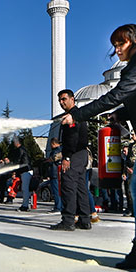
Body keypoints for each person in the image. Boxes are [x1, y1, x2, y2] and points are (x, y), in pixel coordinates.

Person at [60, 21, 136, 268]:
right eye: (114, 45)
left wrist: (78, 114)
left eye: (120, 44)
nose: (117, 50)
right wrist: (122, 114)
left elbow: (114, 96)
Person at [50, 89, 91, 231]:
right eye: (60, 100)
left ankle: (68, 221)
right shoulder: (79, 114)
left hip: (73, 155)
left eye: (64, 99)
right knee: (81, 188)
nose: (61, 103)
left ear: (72, 99)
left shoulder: (72, 117)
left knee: (68, 186)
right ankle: (85, 220)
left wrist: (66, 157)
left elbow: (72, 138)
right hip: (81, 155)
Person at [9, 137, 33, 211]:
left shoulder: (20, 150)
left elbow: (18, 161)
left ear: (17, 142)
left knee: (25, 189)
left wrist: (14, 171)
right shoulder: (24, 149)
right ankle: (25, 204)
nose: (13, 143)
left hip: (25, 171)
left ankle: (25, 205)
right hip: (26, 170)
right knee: (25, 189)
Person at [46, 138, 63, 213]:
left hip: (55, 173)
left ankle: (58, 207)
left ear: (53, 143)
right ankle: (60, 206)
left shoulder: (55, 151)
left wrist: (49, 160)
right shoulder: (61, 150)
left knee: (56, 191)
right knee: (59, 191)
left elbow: (52, 161)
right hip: (58, 173)